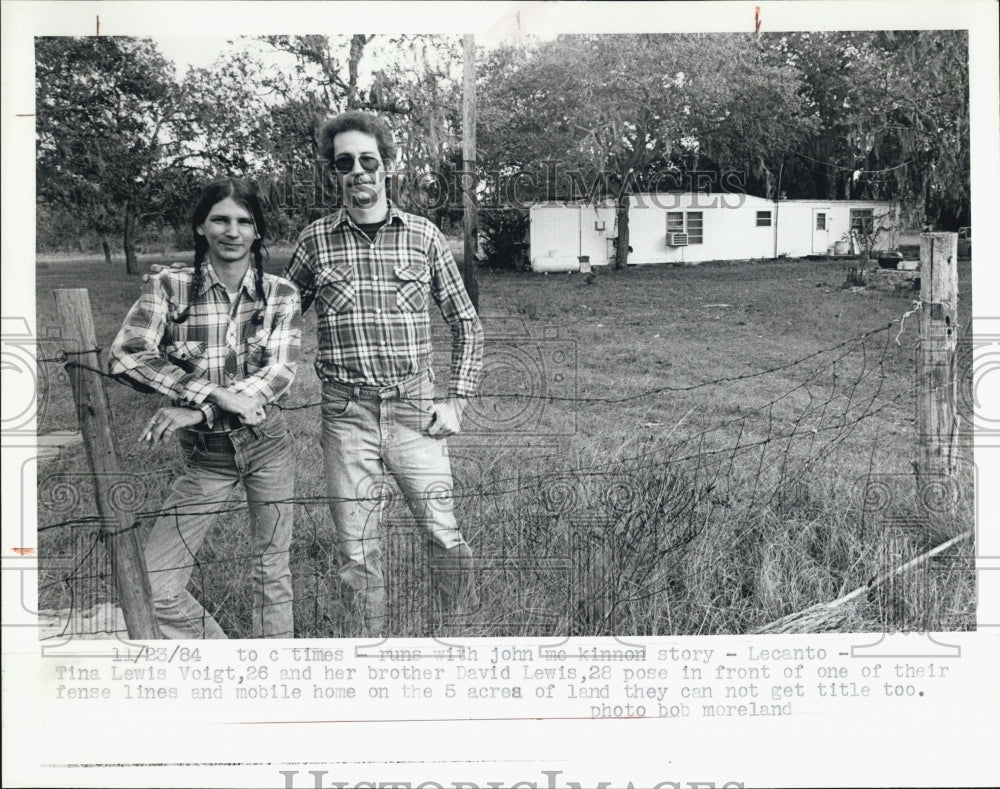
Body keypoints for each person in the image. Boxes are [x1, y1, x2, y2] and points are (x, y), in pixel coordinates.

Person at [284, 110, 484, 635]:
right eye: (344, 163)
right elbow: (276, 326)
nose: (358, 173)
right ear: (334, 172)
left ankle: (453, 636)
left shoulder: (424, 237)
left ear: (387, 166)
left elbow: (467, 323)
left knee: (444, 534)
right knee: (357, 549)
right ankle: (369, 652)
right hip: (345, 414)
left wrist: (456, 400)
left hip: (416, 411)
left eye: (368, 161)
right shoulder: (314, 242)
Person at [109, 177, 302, 638]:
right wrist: (214, 394)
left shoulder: (281, 294)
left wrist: (196, 409)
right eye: (220, 219)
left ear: (257, 233)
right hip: (207, 458)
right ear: (201, 227)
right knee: (155, 585)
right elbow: (126, 353)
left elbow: (279, 374)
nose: (232, 231)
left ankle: (276, 670)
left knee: (271, 571)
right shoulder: (170, 287)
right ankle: (223, 664)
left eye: (244, 221)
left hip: (268, 445)